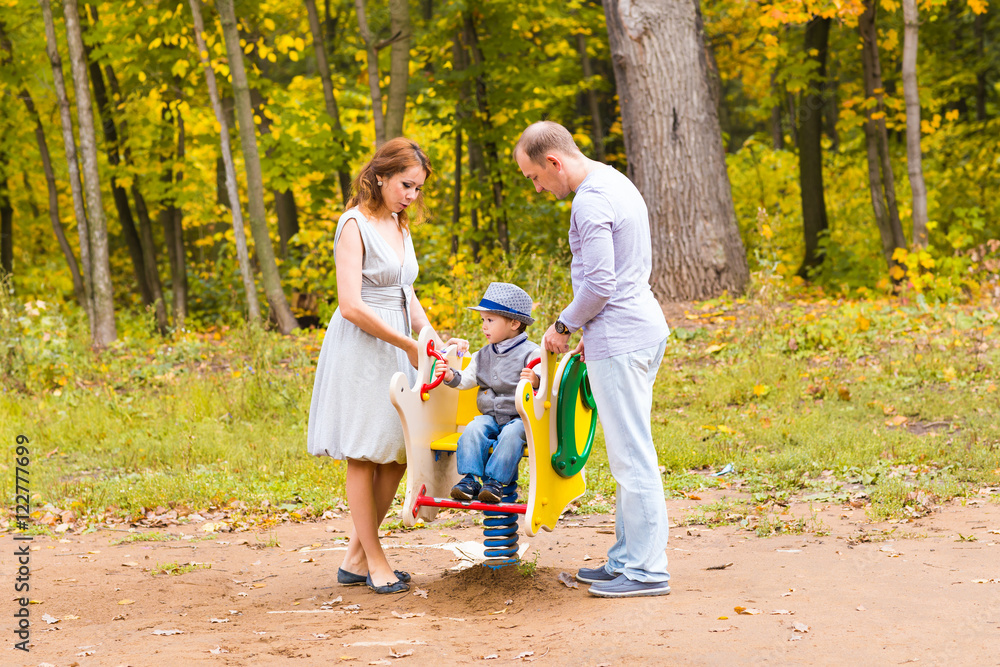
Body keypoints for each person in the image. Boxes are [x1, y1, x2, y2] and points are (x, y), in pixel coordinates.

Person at [513, 121, 672, 598]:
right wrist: (592, 333)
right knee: (629, 450)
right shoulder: (613, 179)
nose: (538, 188)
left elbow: (600, 283)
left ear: (554, 162)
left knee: (632, 455)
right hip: (632, 330)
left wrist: (563, 326)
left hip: (623, 335)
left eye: (535, 177)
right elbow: (622, 273)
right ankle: (625, 559)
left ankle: (647, 572)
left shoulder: (589, 200)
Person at [308, 138, 468, 595]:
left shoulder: (401, 225)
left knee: (399, 450)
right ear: (380, 176)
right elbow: (351, 305)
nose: (411, 196)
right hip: (361, 346)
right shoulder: (353, 225)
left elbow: (407, 295)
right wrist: (408, 344)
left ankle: (355, 557)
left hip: (400, 344)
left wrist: (432, 341)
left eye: (417, 189)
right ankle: (374, 560)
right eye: (405, 185)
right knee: (364, 452)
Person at [436, 283, 540, 503]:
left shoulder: (531, 352)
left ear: (514, 323)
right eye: (483, 320)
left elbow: (545, 382)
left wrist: (535, 380)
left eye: (490, 320)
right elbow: (466, 380)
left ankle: (494, 482)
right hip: (491, 417)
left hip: (520, 418)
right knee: (473, 428)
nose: (484, 326)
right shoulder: (482, 355)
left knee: (512, 435)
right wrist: (450, 376)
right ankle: (470, 479)